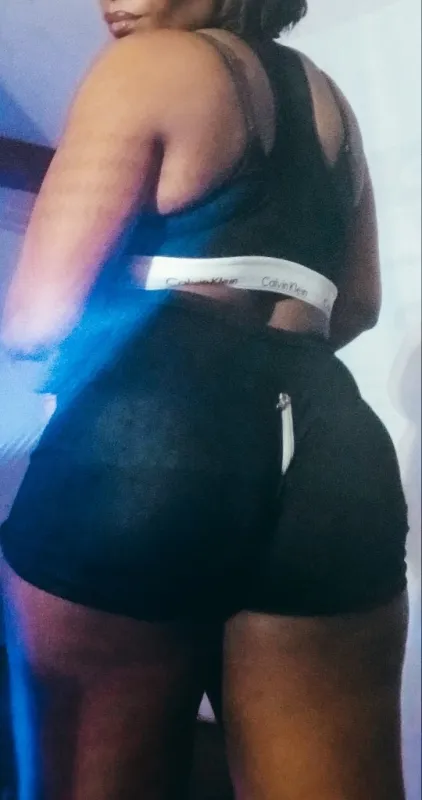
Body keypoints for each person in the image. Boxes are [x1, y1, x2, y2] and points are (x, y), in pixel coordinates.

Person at [0, 0, 409, 797]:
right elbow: (356, 305)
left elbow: (37, 320)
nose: (111, 1)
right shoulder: (333, 107)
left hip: (148, 432)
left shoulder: (146, 66)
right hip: (330, 443)